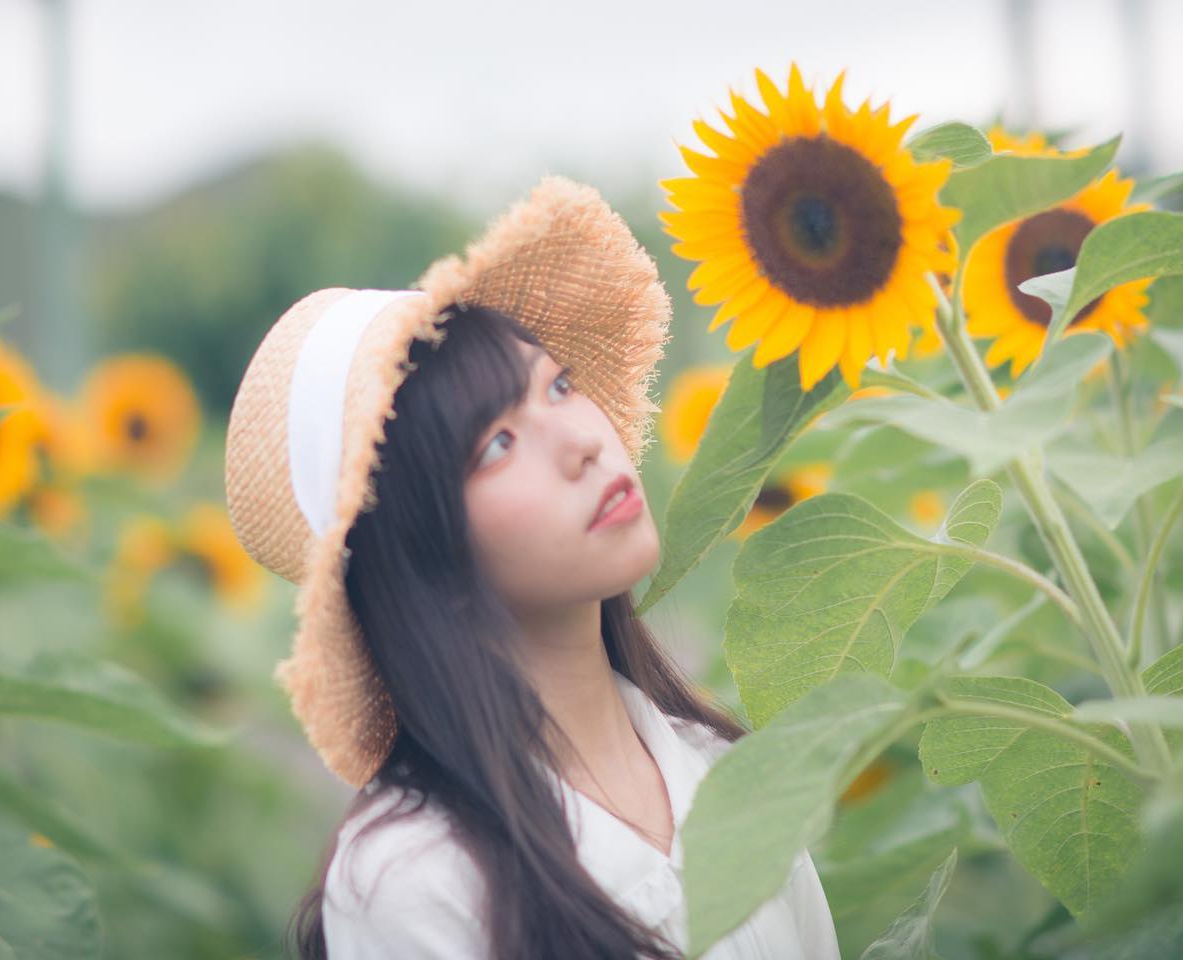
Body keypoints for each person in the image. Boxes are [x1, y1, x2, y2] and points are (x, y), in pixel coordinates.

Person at [223, 175, 841, 959]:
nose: (583, 441)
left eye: (559, 385)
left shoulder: (725, 769)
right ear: (420, 551)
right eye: (498, 443)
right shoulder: (414, 875)